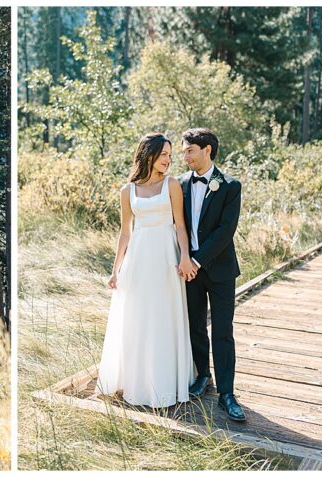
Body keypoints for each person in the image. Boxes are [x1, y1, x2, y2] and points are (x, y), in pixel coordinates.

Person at [97, 133, 196, 408]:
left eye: (170, 155)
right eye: (163, 154)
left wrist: (185, 257)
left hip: (166, 258)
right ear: (149, 154)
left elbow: (179, 226)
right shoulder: (127, 191)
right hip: (138, 260)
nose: (168, 159)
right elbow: (125, 232)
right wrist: (116, 270)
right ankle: (136, 381)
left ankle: (165, 381)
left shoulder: (172, 185)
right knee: (137, 318)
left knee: (164, 317)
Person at [178, 128, 245, 422]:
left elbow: (224, 233)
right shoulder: (179, 184)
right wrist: (185, 262)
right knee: (195, 326)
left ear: (207, 150)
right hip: (189, 271)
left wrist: (197, 261)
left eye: (189, 150)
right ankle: (202, 376)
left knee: (222, 331)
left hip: (218, 270)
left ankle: (227, 394)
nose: (185, 156)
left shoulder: (230, 186)